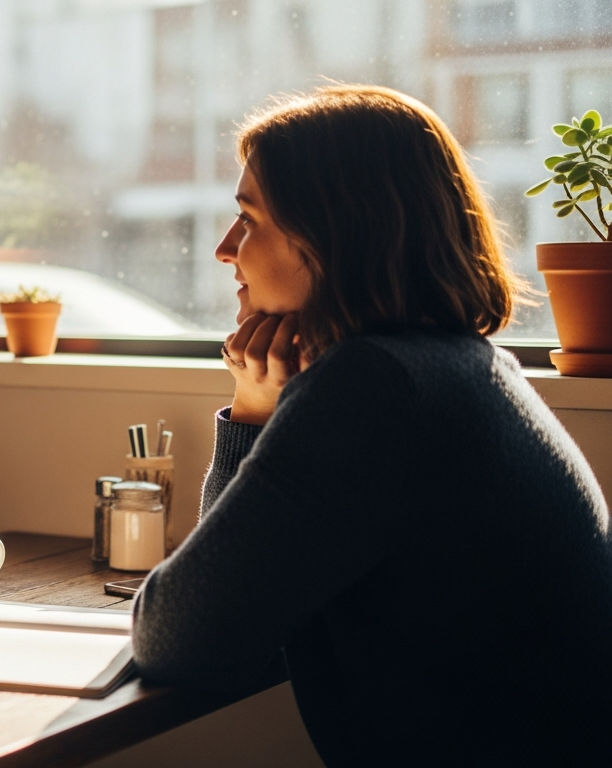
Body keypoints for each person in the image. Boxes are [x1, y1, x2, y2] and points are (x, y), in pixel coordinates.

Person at [130, 85, 612, 766]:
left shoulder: (376, 389)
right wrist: (255, 409)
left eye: (250, 219)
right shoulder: (456, 367)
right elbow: (234, 619)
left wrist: (254, 419)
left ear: (329, 236)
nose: (224, 249)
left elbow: (178, 639)